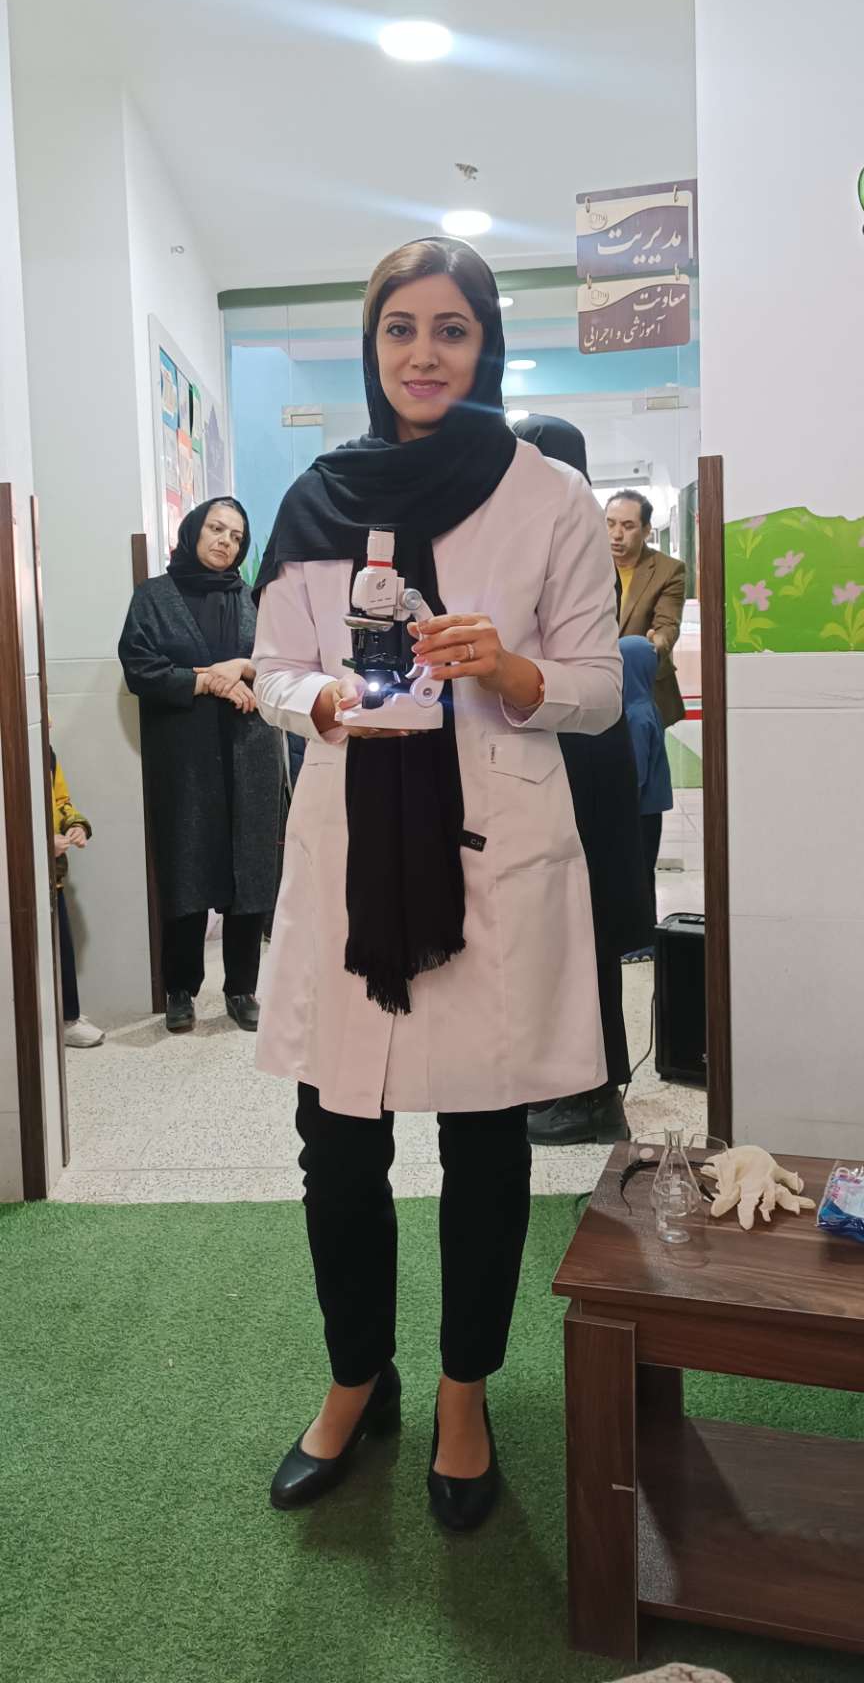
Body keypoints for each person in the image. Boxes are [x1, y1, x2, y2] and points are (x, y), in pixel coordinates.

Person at [252, 238, 621, 1530]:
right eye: (400, 328)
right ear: (372, 347)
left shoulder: (549, 497)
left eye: (451, 329)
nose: (423, 354)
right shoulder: (314, 498)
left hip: (489, 853)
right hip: (353, 849)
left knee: (485, 1137)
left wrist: (509, 670)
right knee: (336, 1141)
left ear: (487, 345)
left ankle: (465, 1394)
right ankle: (359, 1377)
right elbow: (275, 670)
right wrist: (325, 700)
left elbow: (597, 689)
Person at [514, 416, 653, 1148]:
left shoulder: (566, 540)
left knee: (584, 925)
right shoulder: (555, 534)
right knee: (563, 928)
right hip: (576, 746)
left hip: (582, 749)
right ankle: (577, 1087)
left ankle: (593, 1096)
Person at [119, 498, 283, 1035]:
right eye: (216, 528)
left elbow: (282, 661)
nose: (225, 542)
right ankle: (180, 988)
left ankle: (242, 988)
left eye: (236, 536)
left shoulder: (255, 598)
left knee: (249, 868)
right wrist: (206, 681)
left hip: (249, 750)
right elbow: (141, 668)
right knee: (186, 864)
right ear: (194, 530)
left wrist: (243, 667)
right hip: (184, 755)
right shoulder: (154, 596)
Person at [606, 490, 686, 727]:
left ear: (646, 530)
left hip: (644, 687)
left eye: (628, 526)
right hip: (597, 685)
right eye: (610, 523)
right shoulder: (585, 565)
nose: (616, 534)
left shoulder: (668, 570)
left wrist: (654, 644)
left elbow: (667, 625)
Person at [51, 744, 105, 1048]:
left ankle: (68, 1018)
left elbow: (61, 802)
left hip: (52, 876)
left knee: (61, 948)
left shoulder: (45, 752)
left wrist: (75, 826)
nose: (49, 722)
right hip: (18, 878)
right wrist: (41, 840)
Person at [619, 635, 674, 936]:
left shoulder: (636, 716)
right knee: (643, 872)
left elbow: (636, 775)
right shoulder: (645, 705)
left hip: (640, 811)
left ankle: (642, 937)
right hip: (649, 811)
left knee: (638, 873)